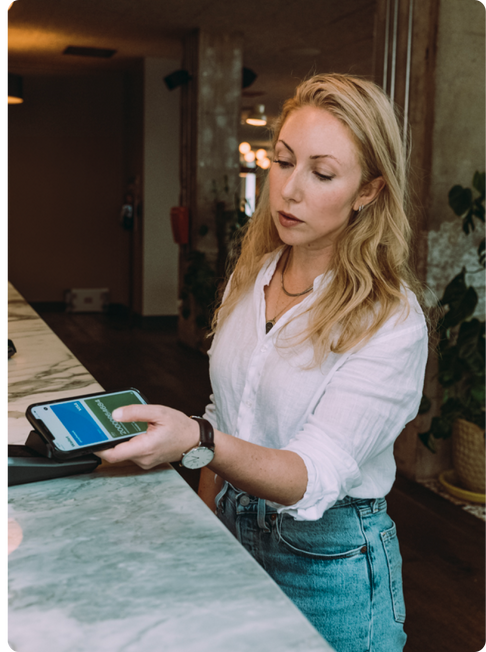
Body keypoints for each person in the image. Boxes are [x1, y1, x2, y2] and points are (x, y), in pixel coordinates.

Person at [96, 74, 431, 652]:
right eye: (282, 161)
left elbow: (310, 475)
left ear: (369, 192)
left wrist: (196, 440)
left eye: (321, 174)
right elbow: (222, 416)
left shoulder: (390, 320)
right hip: (229, 522)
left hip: (328, 563)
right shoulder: (253, 276)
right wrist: (203, 531)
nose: (289, 191)